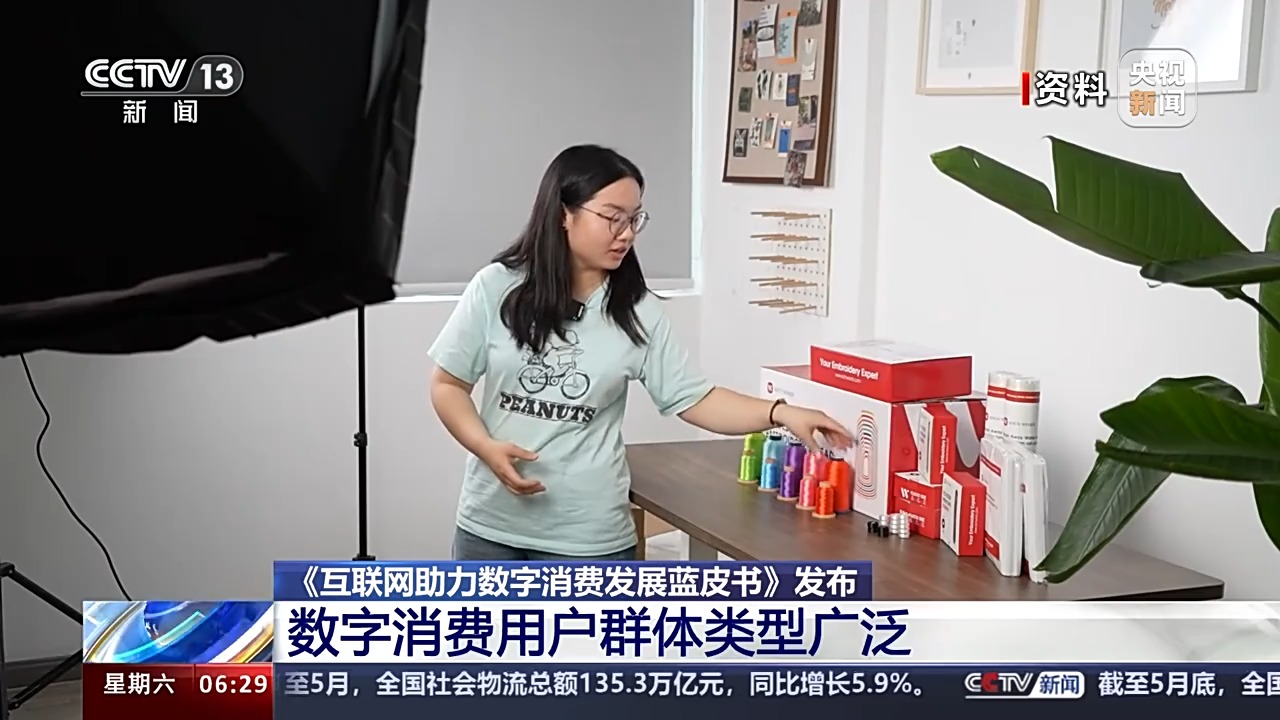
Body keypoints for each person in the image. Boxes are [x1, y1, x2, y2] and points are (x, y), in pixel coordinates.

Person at [428, 144, 852, 561]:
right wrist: (484, 446)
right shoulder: (496, 287)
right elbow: (448, 385)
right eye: (613, 218)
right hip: (489, 529)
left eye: (634, 219)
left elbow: (695, 399)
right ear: (563, 214)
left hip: (588, 542)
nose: (627, 233)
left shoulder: (637, 311)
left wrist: (780, 412)